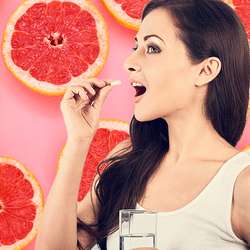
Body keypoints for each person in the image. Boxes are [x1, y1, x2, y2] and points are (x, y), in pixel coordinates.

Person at [35, 0, 250, 249]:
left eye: (152, 48)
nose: (129, 62)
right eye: (136, 46)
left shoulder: (240, 183)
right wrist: (78, 139)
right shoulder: (127, 162)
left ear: (205, 70)